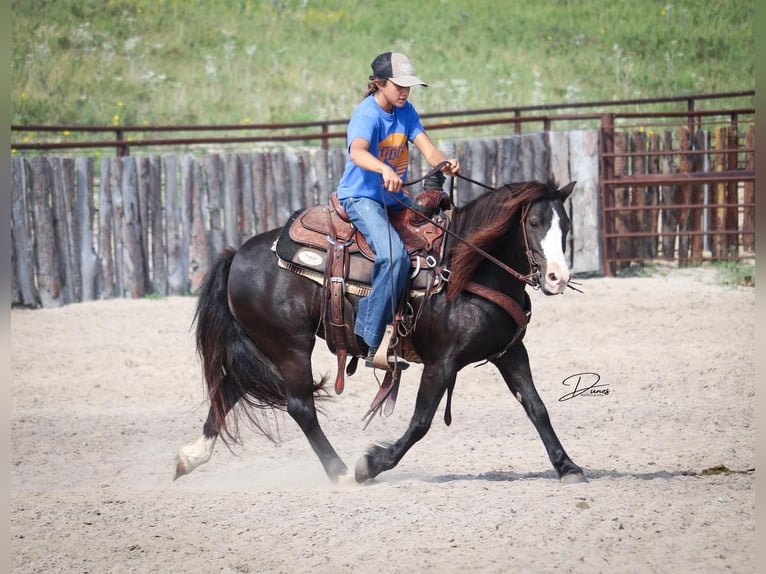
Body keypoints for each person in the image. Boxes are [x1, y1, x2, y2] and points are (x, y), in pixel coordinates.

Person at [336, 51, 459, 368]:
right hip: (362, 197)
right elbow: (358, 152)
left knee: (440, 232)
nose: (405, 92)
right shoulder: (367, 115)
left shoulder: (407, 112)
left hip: (393, 198)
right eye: (399, 85)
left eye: (409, 86)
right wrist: (384, 170)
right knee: (394, 256)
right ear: (379, 83)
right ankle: (367, 334)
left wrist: (444, 162)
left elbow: (426, 147)